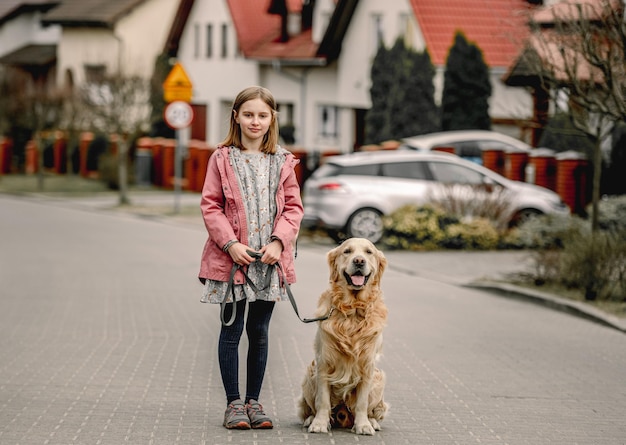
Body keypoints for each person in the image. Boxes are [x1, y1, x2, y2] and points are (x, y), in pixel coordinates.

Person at [198, 86, 303, 430]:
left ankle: (254, 402)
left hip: (268, 262)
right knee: (232, 329)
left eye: (262, 115)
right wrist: (230, 244)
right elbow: (210, 205)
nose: (255, 121)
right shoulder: (222, 158)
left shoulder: (283, 161)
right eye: (248, 114)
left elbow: (293, 209)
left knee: (259, 331)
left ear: (272, 117)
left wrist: (279, 243)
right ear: (236, 117)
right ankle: (233, 405)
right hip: (231, 261)